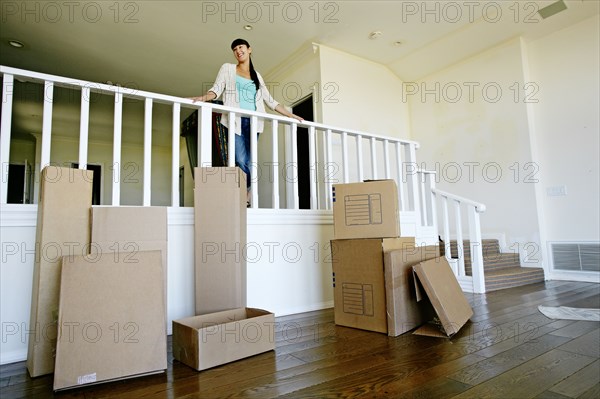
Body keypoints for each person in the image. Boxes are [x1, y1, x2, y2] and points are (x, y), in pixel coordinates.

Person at [190, 38, 303, 205]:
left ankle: (247, 190)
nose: (238, 51)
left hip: (254, 122)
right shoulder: (228, 68)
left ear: (249, 49)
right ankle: (248, 188)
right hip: (235, 121)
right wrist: (203, 98)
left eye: (241, 47)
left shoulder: (257, 76)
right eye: (234, 49)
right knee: (241, 159)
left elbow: (270, 101)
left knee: (250, 161)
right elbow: (217, 89)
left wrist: (290, 115)